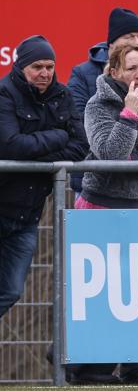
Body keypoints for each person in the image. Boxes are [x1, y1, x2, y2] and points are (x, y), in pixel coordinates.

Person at [71, 42, 138, 385]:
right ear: (114, 72)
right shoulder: (97, 105)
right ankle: (92, 368)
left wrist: (132, 162)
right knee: (103, 292)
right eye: (131, 68)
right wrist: (129, 113)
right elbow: (109, 152)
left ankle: (137, 364)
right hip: (102, 206)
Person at [0, 35, 89, 318]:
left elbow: (80, 145)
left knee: (11, 291)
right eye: (37, 66)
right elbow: (11, 145)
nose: (45, 73)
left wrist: (36, 157)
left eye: (49, 66)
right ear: (21, 67)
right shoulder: (4, 94)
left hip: (28, 216)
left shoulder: (62, 96)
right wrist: (58, 136)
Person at [68, 7, 138, 198]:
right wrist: (128, 115)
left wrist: (136, 161)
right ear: (112, 43)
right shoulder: (83, 75)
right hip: (101, 190)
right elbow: (81, 129)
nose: (136, 42)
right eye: (129, 37)